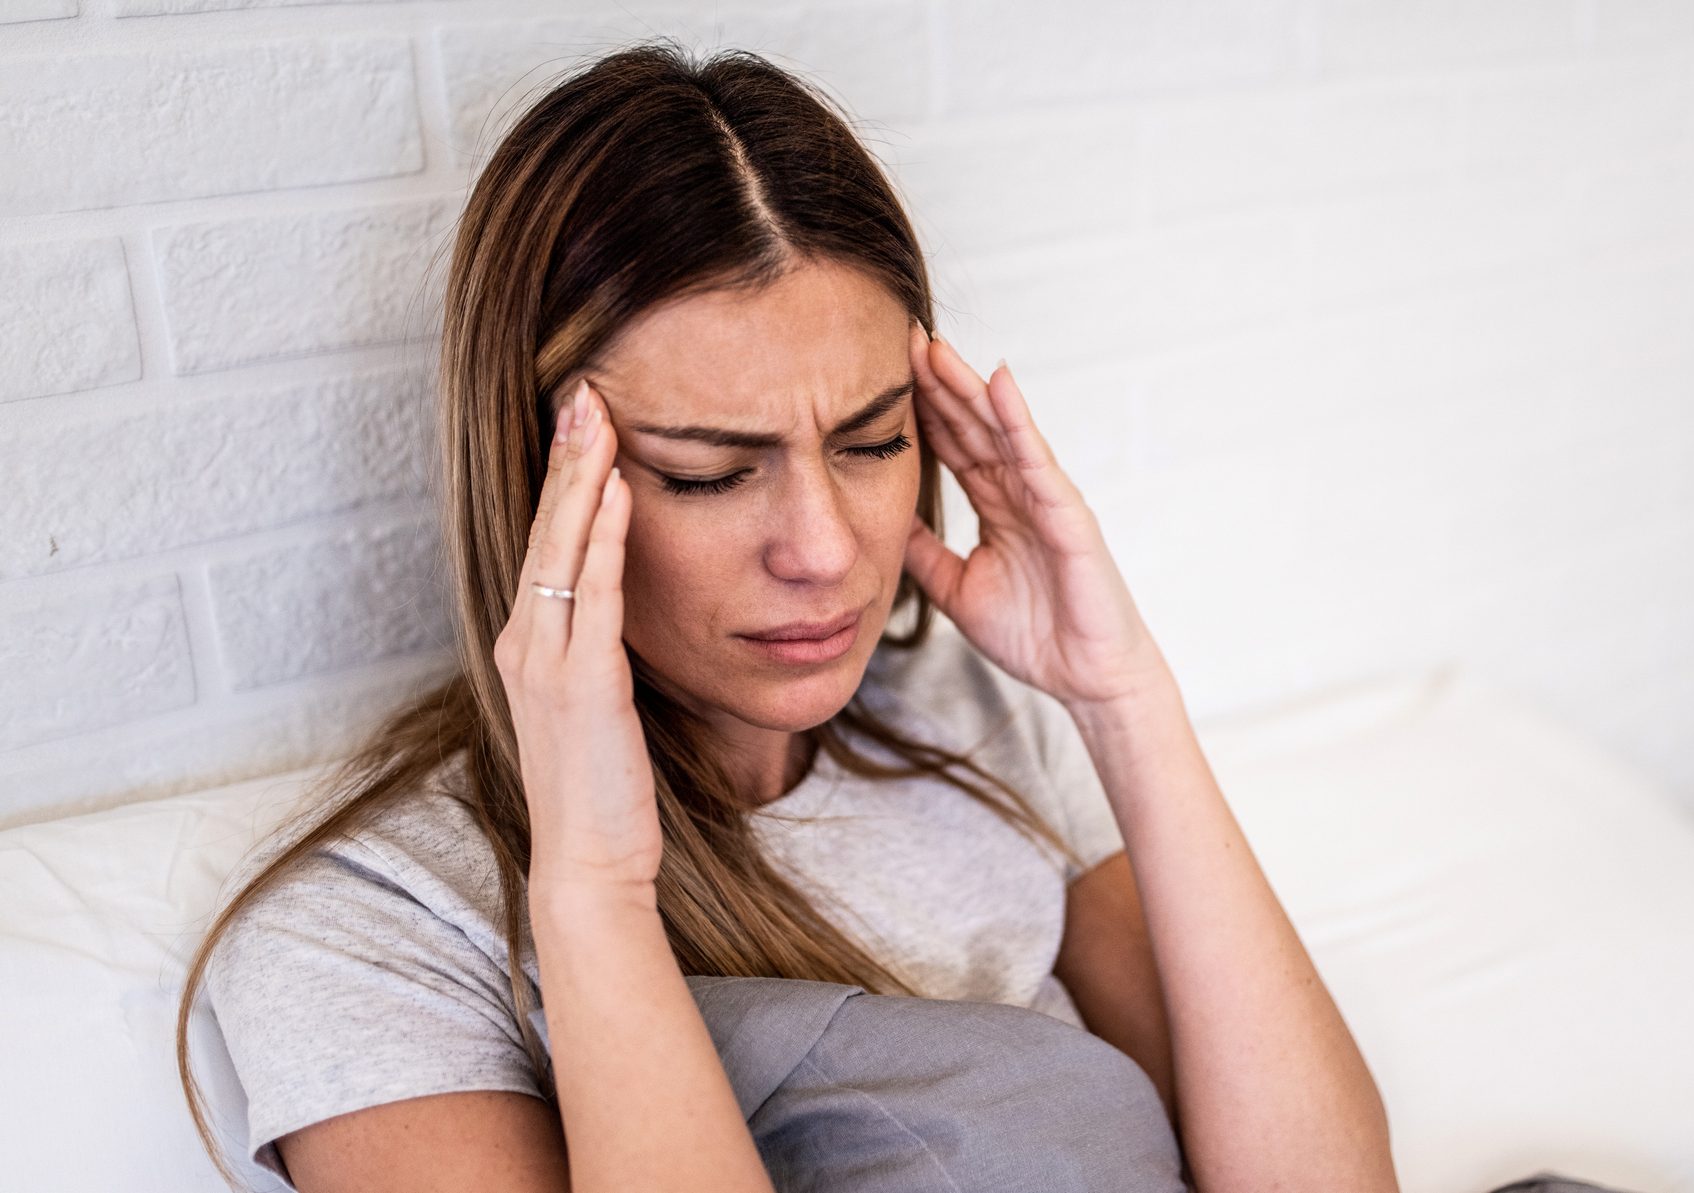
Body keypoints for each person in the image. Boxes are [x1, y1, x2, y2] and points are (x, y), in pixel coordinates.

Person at [172, 39, 1396, 1193]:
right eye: (709, 472)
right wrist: (594, 887)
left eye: (871, 441)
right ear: (535, 477)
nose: (824, 550)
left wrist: (1124, 700)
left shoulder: (968, 716)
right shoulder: (372, 931)